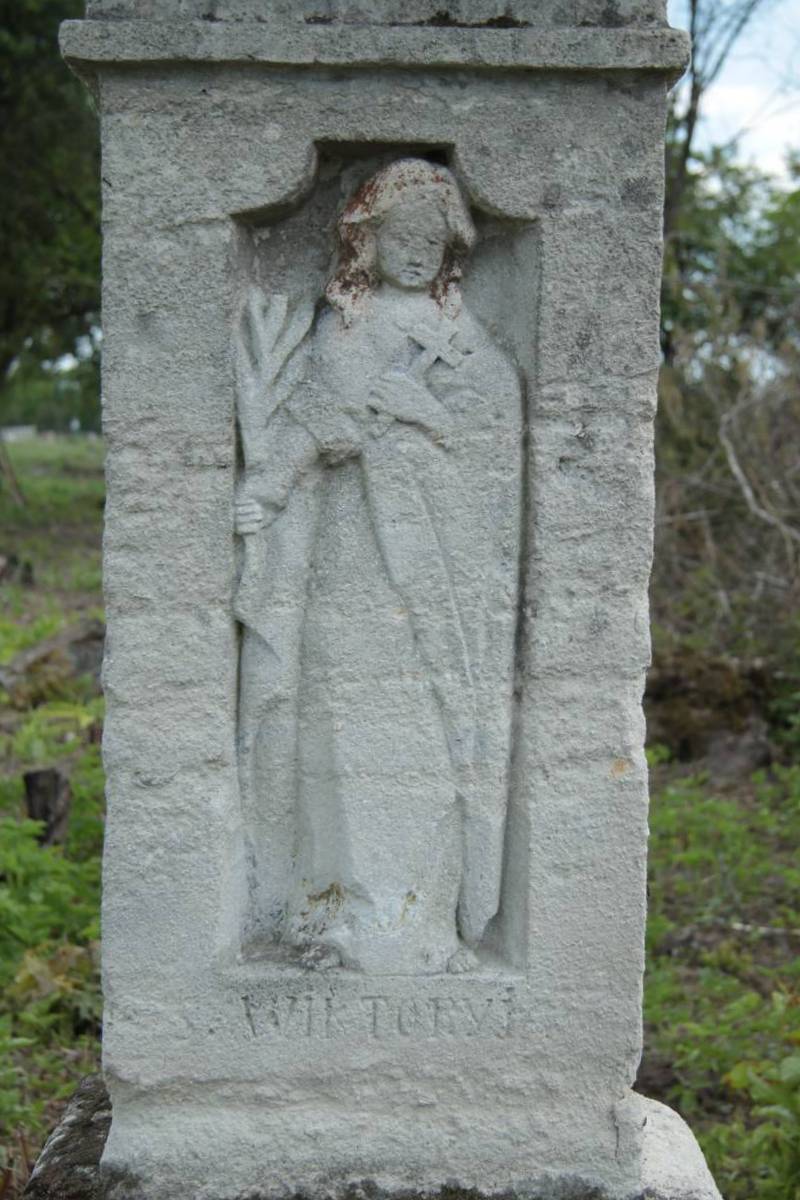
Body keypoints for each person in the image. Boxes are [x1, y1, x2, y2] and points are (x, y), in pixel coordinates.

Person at [235, 159, 522, 975]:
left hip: (435, 580)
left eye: (433, 238)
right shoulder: (344, 328)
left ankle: (422, 926)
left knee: (426, 747)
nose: (418, 251)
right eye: (402, 234)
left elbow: (498, 452)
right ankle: (332, 913)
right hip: (349, 565)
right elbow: (314, 418)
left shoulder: (464, 345)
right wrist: (271, 479)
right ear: (370, 240)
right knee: (341, 738)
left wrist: (424, 416)